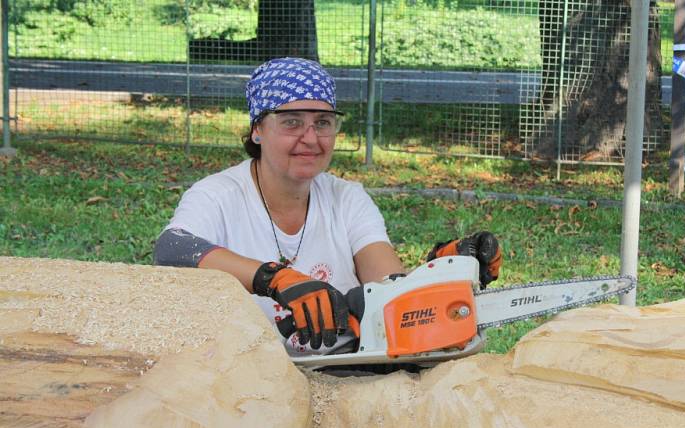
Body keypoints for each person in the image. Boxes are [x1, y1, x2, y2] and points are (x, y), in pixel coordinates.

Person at [155, 57, 502, 357]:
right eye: (292, 122)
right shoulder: (218, 195)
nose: (310, 138)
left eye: (322, 122)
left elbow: (386, 282)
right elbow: (173, 248)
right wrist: (275, 278)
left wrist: (437, 274)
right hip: (251, 372)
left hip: (345, 367)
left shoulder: (346, 198)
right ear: (258, 129)